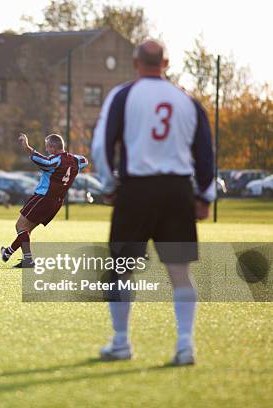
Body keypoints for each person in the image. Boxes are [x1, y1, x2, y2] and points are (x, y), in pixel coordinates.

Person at [91, 39, 215, 366]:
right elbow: (205, 153)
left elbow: (102, 146)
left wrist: (108, 185)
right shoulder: (188, 102)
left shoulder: (123, 95)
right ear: (166, 62)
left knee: (121, 270)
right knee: (180, 273)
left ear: (135, 61)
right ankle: (185, 346)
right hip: (177, 192)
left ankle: (120, 343)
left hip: (136, 191)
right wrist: (204, 195)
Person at [0, 133, 88, 268]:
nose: (46, 150)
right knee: (27, 230)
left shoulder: (55, 161)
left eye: (47, 147)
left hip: (43, 198)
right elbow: (84, 161)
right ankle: (8, 252)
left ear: (53, 147)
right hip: (57, 203)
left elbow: (45, 162)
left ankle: (28, 260)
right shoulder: (76, 160)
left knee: (20, 226)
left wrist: (27, 147)